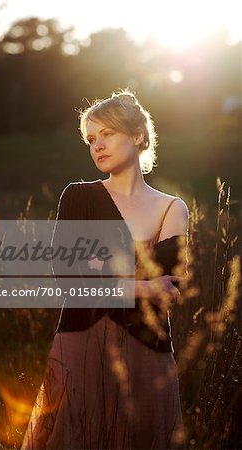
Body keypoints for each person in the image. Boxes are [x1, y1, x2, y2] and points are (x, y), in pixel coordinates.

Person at [21, 89, 189, 449]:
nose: (97, 145)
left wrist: (99, 275)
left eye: (107, 134)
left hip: (147, 350)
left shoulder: (172, 208)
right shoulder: (78, 196)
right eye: (91, 139)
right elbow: (68, 279)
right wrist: (141, 287)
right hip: (79, 343)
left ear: (138, 136)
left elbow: (170, 288)